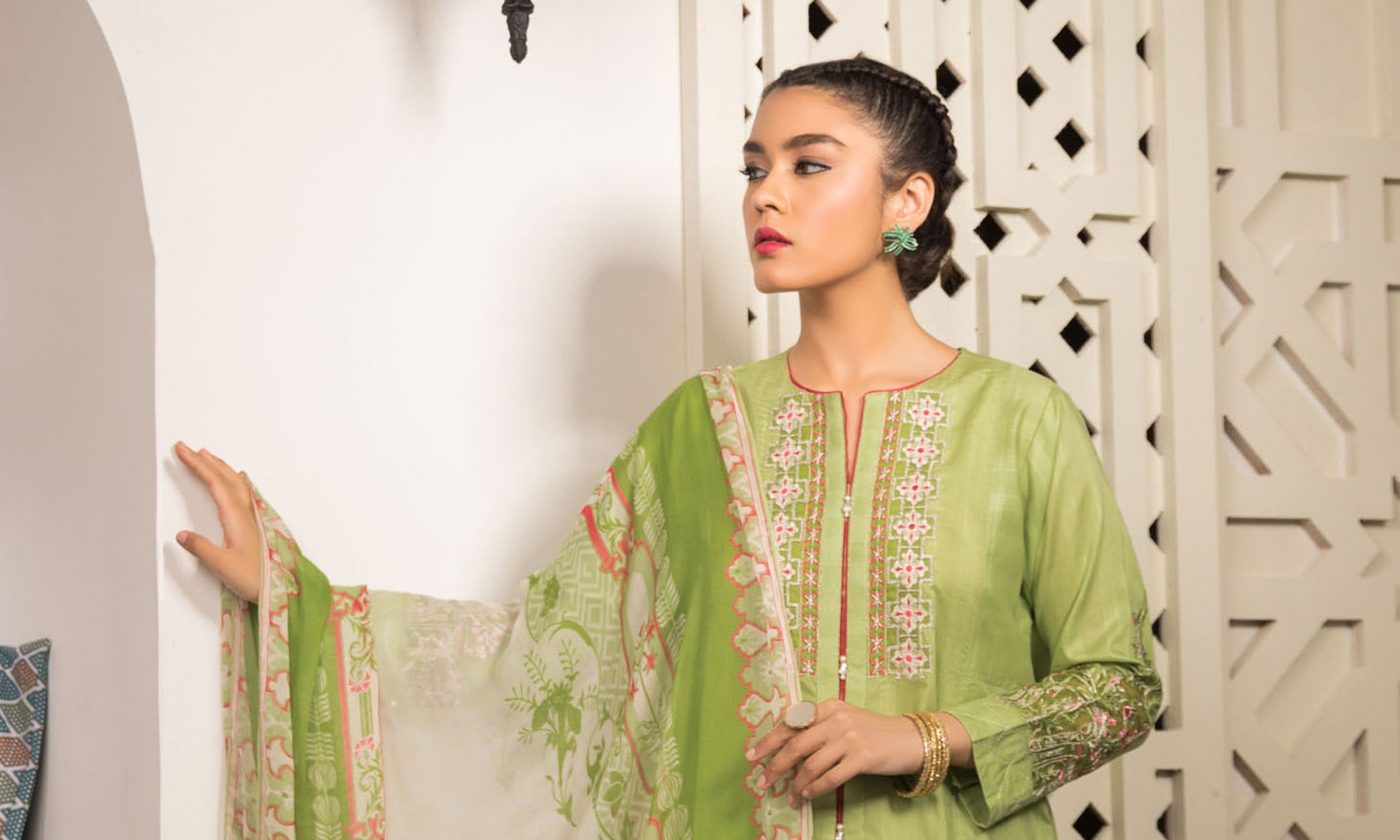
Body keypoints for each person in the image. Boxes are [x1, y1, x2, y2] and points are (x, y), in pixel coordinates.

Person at [176, 55, 1161, 840]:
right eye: (754, 169)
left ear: (904, 203)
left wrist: (922, 737)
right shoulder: (698, 426)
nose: (765, 196)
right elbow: (548, 662)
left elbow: (1116, 693)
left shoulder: (1019, 419)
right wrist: (301, 602)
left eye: (808, 164)